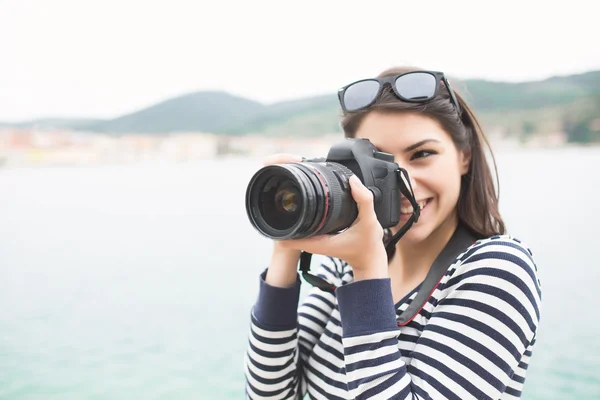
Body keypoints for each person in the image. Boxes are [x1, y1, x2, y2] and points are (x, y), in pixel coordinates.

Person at [243, 66, 542, 399]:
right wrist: (287, 244)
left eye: (422, 155)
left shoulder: (498, 269)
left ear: (464, 157)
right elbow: (269, 395)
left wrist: (368, 271)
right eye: (379, 164)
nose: (404, 186)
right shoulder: (342, 269)